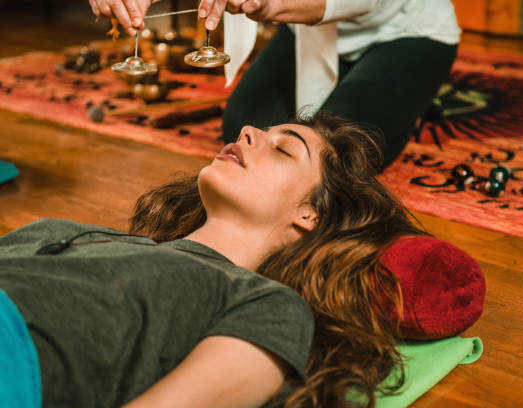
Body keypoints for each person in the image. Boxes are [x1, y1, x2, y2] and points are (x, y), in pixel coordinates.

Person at [1, 111, 428, 408]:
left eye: (283, 150)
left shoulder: (266, 304)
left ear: (308, 215)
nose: (246, 131)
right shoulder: (60, 229)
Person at [89, 0, 461, 169]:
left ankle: (412, 99)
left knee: (334, 156)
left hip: (406, 29)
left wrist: (267, 4)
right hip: (307, 29)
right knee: (247, 132)